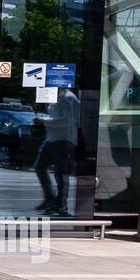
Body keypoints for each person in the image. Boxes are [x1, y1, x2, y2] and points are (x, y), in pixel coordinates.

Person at [33, 84, 80, 215]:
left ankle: (60, 204)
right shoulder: (57, 97)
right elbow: (57, 116)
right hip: (52, 139)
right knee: (39, 167)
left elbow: (67, 121)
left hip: (63, 140)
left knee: (60, 173)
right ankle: (51, 198)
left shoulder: (68, 98)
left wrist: (44, 121)